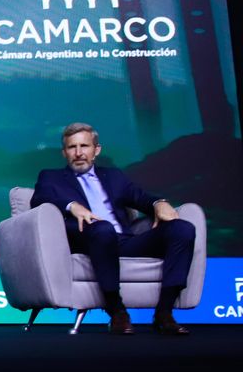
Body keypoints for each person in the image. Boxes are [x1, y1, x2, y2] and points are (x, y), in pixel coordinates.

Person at [31, 122, 194, 335]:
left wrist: (158, 203)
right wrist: (72, 206)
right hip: (88, 239)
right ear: (64, 152)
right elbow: (39, 200)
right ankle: (116, 310)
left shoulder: (114, 176)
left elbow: (141, 198)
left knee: (182, 229)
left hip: (124, 241)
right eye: (72, 147)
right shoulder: (50, 177)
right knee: (102, 229)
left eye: (85, 146)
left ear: (96, 150)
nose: (79, 153)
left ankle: (164, 313)